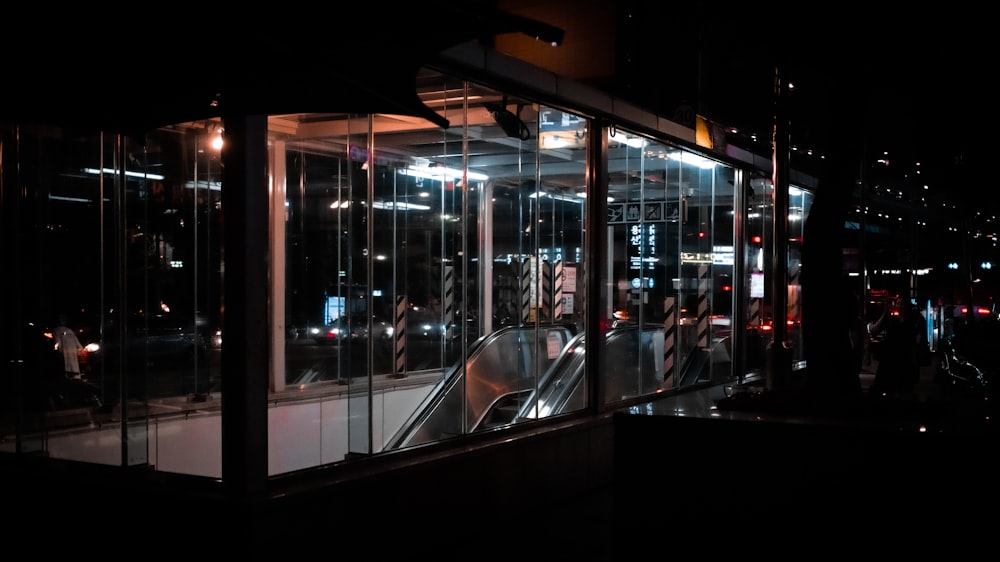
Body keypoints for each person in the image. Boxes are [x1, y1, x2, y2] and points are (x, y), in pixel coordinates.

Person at [867, 297, 924, 397]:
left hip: (905, 360)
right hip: (889, 360)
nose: (900, 306)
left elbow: (916, 341)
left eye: (902, 304)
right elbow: (875, 330)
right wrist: (884, 314)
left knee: (903, 391)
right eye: (898, 303)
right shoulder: (891, 320)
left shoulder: (912, 322)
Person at [53, 315, 84, 379]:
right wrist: (80, 347)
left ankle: (70, 375)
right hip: (72, 349)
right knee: (73, 362)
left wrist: (58, 349)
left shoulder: (56, 330)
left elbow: (57, 340)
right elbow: (75, 339)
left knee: (67, 363)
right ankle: (75, 376)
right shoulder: (68, 330)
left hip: (66, 349)